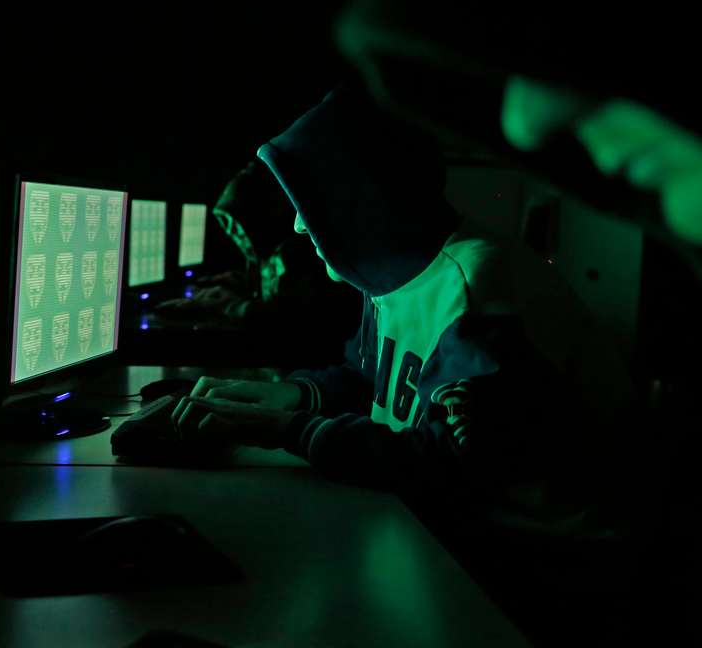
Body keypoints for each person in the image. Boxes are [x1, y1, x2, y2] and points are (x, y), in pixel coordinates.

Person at [330, 0, 702, 644]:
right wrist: (299, 399)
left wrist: (295, 427)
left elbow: (459, 464)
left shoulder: (473, 280)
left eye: (572, 38)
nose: (521, 124)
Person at [172, 86, 639, 541]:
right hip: (443, 527)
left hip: (533, 557)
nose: (296, 224)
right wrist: (287, 397)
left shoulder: (475, 283)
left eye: (307, 199)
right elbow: (369, 379)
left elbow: (457, 464)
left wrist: (286, 430)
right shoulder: (389, 276)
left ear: (358, 192)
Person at [156, 161, 360, 350]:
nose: (231, 232)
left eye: (236, 222)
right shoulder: (273, 251)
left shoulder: (298, 256)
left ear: (260, 216)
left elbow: (293, 320)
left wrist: (231, 304)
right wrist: (238, 282)